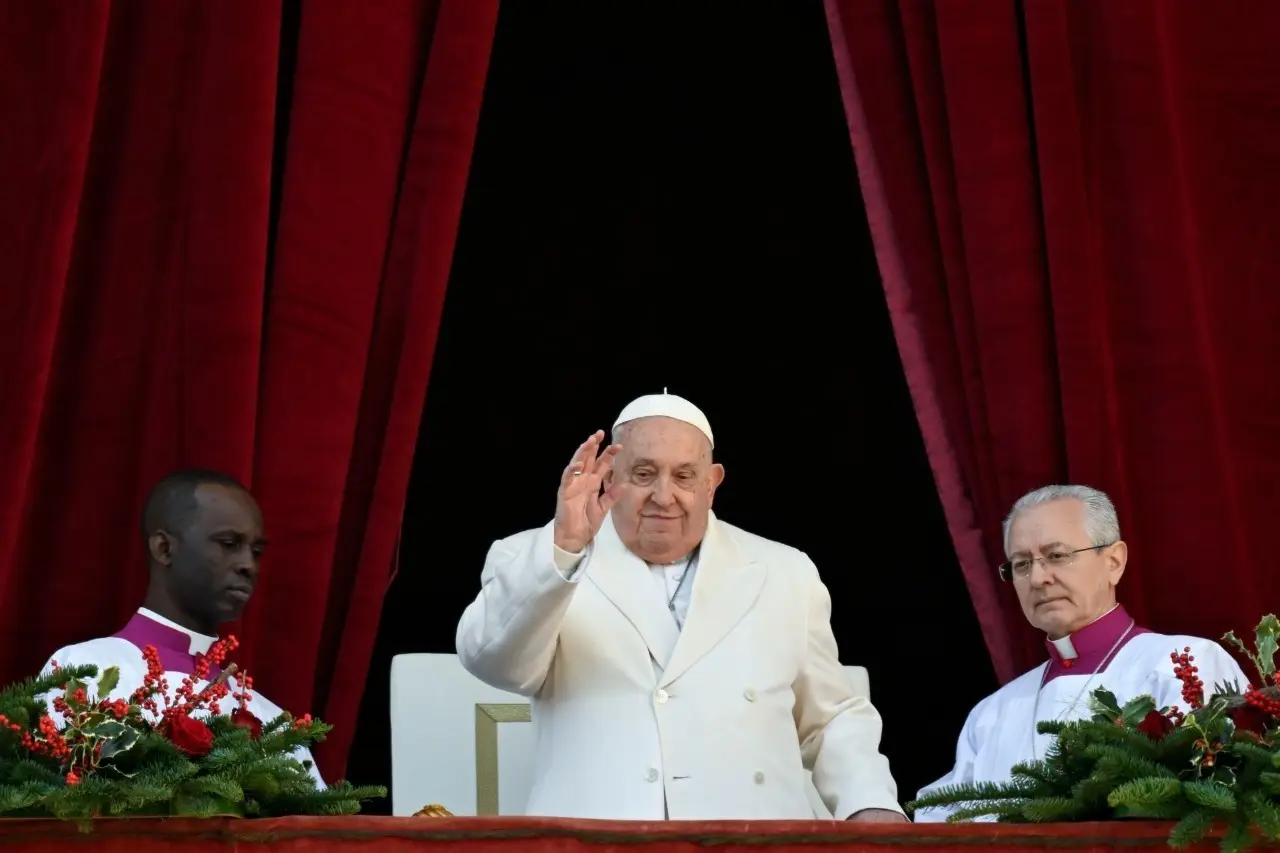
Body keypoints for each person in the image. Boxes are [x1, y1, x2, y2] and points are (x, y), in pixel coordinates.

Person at [456, 391, 904, 821]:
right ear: (609, 477)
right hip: (596, 841)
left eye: (685, 476)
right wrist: (566, 547)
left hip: (756, 840)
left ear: (712, 483)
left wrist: (869, 802)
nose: (664, 496)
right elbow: (495, 665)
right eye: (644, 474)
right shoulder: (535, 557)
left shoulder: (785, 571)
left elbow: (830, 716)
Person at [913, 484, 1246, 822]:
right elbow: (937, 823)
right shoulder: (992, 713)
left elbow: (1216, 806)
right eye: (1022, 564)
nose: (1039, 578)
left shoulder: (1184, 662)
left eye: (1056, 556)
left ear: (1114, 561)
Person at [41, 469, 324, 787]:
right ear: (164, 548)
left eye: (256, 552)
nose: (249, 565)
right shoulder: (85, 670)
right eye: (229, 544)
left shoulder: (270, 719)